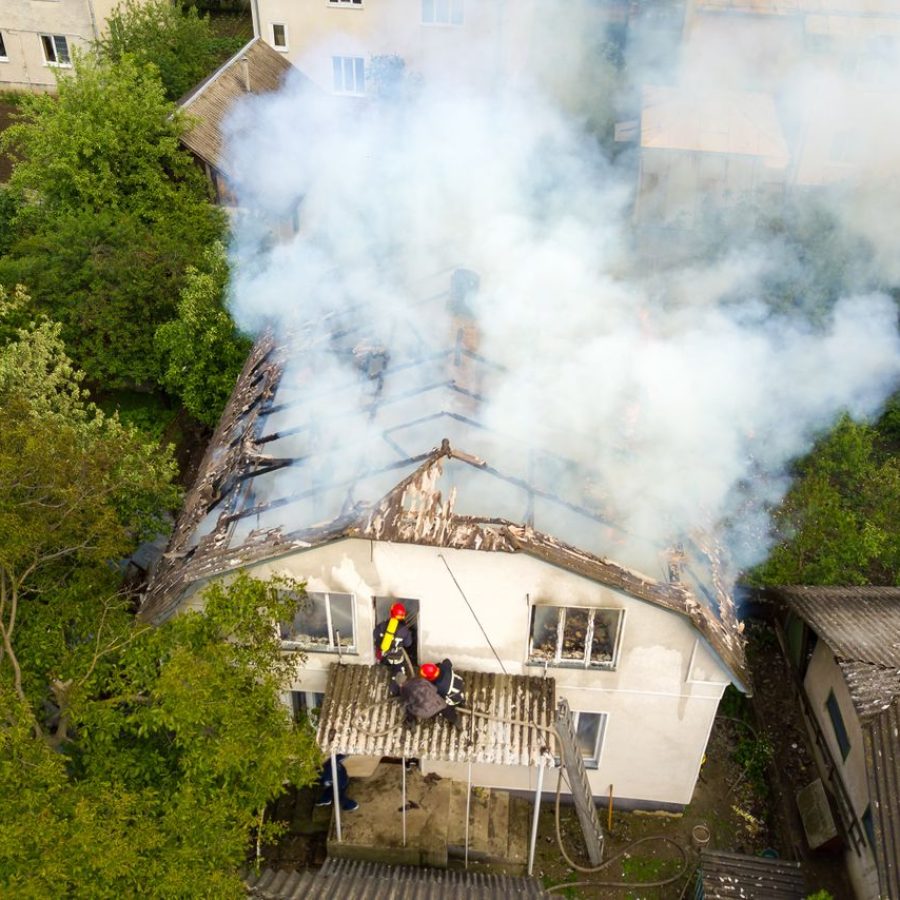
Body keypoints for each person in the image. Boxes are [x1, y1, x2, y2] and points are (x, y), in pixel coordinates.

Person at [373, 602, 413, 696]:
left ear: (391, 613)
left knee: (385, 666)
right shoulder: (404, 630)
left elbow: (375, 635)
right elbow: (408, 644)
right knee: (399, 672)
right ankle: (395, 692)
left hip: (384, 655)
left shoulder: (382, 625)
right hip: (397, 656)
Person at [420, 659, 465, 729]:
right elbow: (448, 661)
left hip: (453, 697)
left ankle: (456, 721)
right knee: (459, 696)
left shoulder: (439, 687)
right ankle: (462, 702)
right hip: (459, 685)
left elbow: (436, 697)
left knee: (444, 708)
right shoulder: (444, 667)